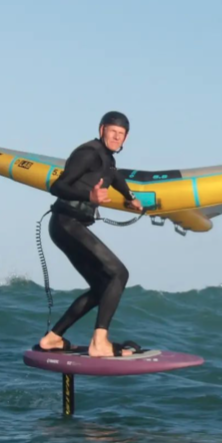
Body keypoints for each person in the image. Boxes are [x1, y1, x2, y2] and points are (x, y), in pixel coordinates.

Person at [36, 111, 143, 357]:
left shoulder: (107, 159)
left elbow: (114, 176)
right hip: (66, 223)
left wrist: (130, 198)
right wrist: (89, 196)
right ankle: (99, 342)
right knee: (119, 273)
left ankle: (53, 338)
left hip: (70, 226)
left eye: (121, 134)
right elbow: (58, 186)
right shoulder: (88, 153)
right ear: (101, 129)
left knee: (102, 286)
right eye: (112, 132)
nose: (116, 137)